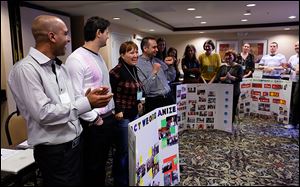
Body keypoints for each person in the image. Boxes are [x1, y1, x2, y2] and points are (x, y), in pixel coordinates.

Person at [7, 15, 113, 186]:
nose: (69, 38)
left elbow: (70, 101)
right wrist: (88, 103)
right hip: (55, 152)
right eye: (65, 33)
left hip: (75, 146)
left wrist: (88, 98)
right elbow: (44, 113)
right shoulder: (26, 70)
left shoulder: (59, 67)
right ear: (52, 36)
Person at [65, 16, 116, 186]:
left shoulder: (97, 56)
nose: (108, 36)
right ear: (98, 33)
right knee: (92, 167)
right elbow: (75, 95)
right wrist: (95, 119)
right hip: (93, 123)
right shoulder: (76, 59)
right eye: (106, 32)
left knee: (101, 165)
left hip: (106, 118)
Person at [109, 41, 143, 185]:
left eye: (136, 52)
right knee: (122, 150)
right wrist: (117, 110)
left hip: (134, 112)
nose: (135, 55)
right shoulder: (115, 71)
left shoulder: (134, 68)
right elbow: (112, 93)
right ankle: (120, 180)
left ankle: (130, 176)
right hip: (122, 116)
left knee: (132, 148)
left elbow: (137, 88)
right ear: (122, 55)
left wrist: (140, 101)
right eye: (131, 52)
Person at [136, 37, 176, 113]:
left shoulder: (157, 61)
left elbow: (171, 78)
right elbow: (145, 89)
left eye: (156, 47)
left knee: (171, 124)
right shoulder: (138, 65)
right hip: (155, 102)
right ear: (145, 48)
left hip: (169, 99)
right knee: (162, 124)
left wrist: (171, 66)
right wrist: (154, 72)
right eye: (154, 47)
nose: (157, 50)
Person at [215, 50, 243, 123]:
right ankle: (222, 123)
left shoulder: (238, 67)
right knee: (223, 107)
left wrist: (231, 77)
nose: (228, 58)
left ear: (234, 57)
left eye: (230, 56)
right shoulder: (222, 67)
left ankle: (230, 123)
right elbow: (217, 78)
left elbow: (240, 79)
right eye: (226, 56)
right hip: (223, 91)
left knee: (232, 107)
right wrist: (225, 78)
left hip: (234, 91)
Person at [284, 41, 299, 129]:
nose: (297, 47)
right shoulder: (292, 57)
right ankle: (293, 121)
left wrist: (291, 68)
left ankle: (294, 123)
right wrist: (286, 68)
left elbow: (297, 71)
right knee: (291, 102)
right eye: (296, 45)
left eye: (298, 45)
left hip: (298, 82)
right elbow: (288, 70)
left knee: (296, 103)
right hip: (291, 81)